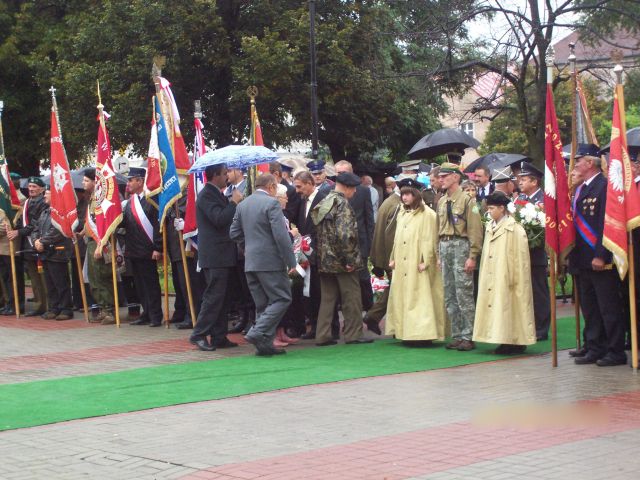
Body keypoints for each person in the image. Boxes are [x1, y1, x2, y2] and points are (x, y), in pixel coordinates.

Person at [570, 144, 626, 366]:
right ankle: (595, 346)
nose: (575, 165)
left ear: (590, 163)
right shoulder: (582, 188)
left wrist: (601, 255)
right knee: (590, 307)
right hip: (582, 259)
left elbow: (607, 224)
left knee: (608, 307)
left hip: (599, 259)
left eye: (578, 160)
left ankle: (616, 350)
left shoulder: (604, 187)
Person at [230, 174, 297, 356]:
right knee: (282, 298)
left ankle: (264, 345)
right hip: (270, 261)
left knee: (263, 304)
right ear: (271, 186)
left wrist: (248, 247)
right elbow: (281, 235)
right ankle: (258, 332)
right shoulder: (272, 204)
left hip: (251, 261)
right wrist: (291, 260)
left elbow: (233, 232)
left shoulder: (243, 204)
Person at [311, 172, 372, 346]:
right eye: (353, 189)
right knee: (351, 296)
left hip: (325, 259)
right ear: (347, 187)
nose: (354, 193)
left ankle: (322, 335)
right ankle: (354, 334)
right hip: (341, 260)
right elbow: (345, 235)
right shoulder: (342, 204)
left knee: (328, 299)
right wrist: (350, 260)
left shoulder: (324, 201)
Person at [472, 192, 535, 353]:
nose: (489, 211)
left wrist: (514, 276)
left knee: (511, 306)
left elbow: (520, 258)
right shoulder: (490, 226)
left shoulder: (514, 229)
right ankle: (502, 337)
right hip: (494, 272)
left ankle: (515, 340)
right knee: (499, 306)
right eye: (488, 208)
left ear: (502, 208)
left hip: (509, 274)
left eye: (492, 208)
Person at [190, 163, 243, 351]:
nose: (227, 176)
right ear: (214, 176)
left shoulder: (216, 193)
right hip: (215, 256)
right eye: (223, 173)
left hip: (223, 254)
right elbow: (219, 218)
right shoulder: (206, 195)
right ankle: (199, 334)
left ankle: (219, 335)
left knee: (224, 297)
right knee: (213, 296)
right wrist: (233, 203)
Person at [386, 179, 445, 344]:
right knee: (403, 296)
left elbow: (430, 239)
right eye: (403, 194)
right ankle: (405, 331)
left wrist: (426, 261)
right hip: (403, 260)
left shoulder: (428, 215)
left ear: (416, 195)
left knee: (420, 296)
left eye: (408, 194)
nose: (404, 197)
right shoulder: (402, 213)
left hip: (417, 261)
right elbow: (397, 238)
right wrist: (393, 257)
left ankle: (422, 334)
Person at [436, 163, 483, 351]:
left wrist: (473, 255)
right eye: (439, 177)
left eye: (444, 176)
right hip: (445, 245)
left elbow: (475, 229)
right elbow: (437, 230)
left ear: (455, 177)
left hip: (461, 246)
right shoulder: (441, 201)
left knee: (464, 292)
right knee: (449, 294)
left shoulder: (467, 200)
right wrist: (438, 254)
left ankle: (468, 335)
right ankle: (457, 334)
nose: (441, 179)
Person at [121, 167, 164, 327]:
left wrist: (158, 248)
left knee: (151, 284)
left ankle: (155, 315)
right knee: (139, 285)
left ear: (140, 181)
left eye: (131, 180)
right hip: (133, 249)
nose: (129, 183)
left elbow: (158, 224)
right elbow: (125, 221)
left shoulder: (151, 199)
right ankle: (146, 313)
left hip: (148, 249)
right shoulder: (131, 202)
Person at [365, 178, 405, 335]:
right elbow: (391, 234)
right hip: (391, 255)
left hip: (384, 253)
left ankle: (374, 316)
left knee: (394, 289)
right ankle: (385, 322)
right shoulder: (397, 205)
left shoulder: (390, 202)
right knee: (398, 289)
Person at [334, 160, 375, 312]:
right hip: (341, 245)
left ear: (351, 172)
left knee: (363, 278)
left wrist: (370, 244)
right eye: (338, 173)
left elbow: (369, 218)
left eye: (344, 173)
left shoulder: (363, 190)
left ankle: (369, 309)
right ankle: (349, 312)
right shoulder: (331, 191)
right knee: (345, 283)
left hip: (360, 242)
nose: (341, 176)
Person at [517, 161, 551, 341]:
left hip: (536, 252)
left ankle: (541, 327)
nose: (520, 182)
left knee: (538, 291)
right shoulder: (519, 200)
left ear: (534, 182)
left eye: (524, 179)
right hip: (521, 253)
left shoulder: (543, 201)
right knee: (526, 290)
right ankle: (528, 323)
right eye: (519, 179)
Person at [293, 170, 329, 339]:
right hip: (306, 254)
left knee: (323, 292)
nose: (297, 190)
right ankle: (314, 326)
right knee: (310, 292)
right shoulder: (302, 201)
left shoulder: (323, 198)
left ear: (309, 183)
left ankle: (329, 329)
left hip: (320, 254)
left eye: (299, 186)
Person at [6, 176, 48, 316]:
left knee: (42, 277)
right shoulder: (28, 202)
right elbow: (22, 222)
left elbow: (35, 224)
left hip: (38, 242)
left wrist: (18, 231)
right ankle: (39, 305)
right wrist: (12, 227)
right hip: (27, 245)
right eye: (30, 187)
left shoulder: (43, 203)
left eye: (34, 187)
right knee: (33, 277)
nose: (31, 189)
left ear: (42, 189)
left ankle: (45, 305)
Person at [33, 188, 74, 320]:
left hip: (57, 252)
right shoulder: (45, 212)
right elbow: (36, 228)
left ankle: (66, 309)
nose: (44, 195)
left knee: (60, 282)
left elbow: (57, 230)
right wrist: (36, 241)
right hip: (45, 252)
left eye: (47, 193)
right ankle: (54, 308)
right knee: (49, 283)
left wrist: (42, 242)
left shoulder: (60, 212)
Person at [81, 168, 116, 325]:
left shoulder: (100, 198)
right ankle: (102, 308)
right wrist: (82, 232)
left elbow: (102, 224)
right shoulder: (92, 198)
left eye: (86, 181)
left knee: (102, 277)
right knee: (94, 279)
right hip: (91, 241)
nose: (83, 183)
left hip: (99, 242)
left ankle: (109, 311)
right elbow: (91, 222)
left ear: (95, 182)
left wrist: (100, 245)